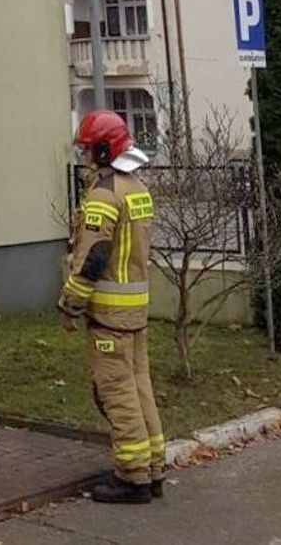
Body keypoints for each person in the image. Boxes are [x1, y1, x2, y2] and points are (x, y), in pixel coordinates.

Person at [58, 109, 164, 504]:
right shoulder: (137, 188)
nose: (84, 157)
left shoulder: (103, 193)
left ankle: (133, 476)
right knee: (140, 389)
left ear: (102, 150)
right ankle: (153, 468)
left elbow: (93, 257)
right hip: (135, 312)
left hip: (109, 314)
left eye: (87, 149)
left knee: (117, 393)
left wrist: (70, 305)